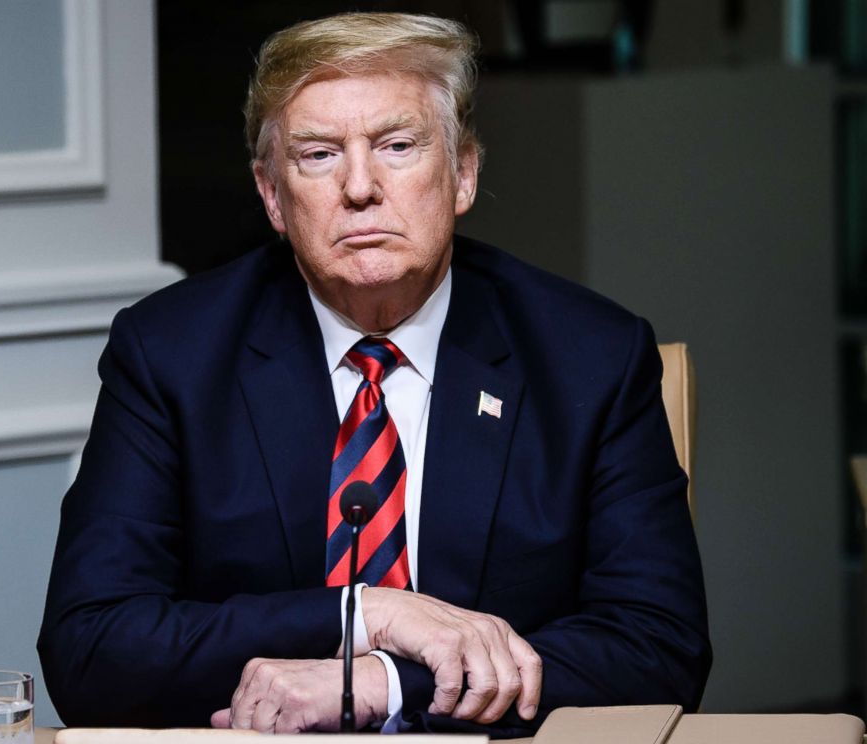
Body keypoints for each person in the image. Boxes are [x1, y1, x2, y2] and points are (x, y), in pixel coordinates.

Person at [38, 12, 711, 736]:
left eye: (397, 146)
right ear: (271, 194)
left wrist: (385, 683)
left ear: (463, 174)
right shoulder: (171, 353)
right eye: (320, 155)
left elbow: (657, 645)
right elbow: (90, 649)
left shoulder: (589, 356)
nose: (360, 187)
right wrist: (361, 614)